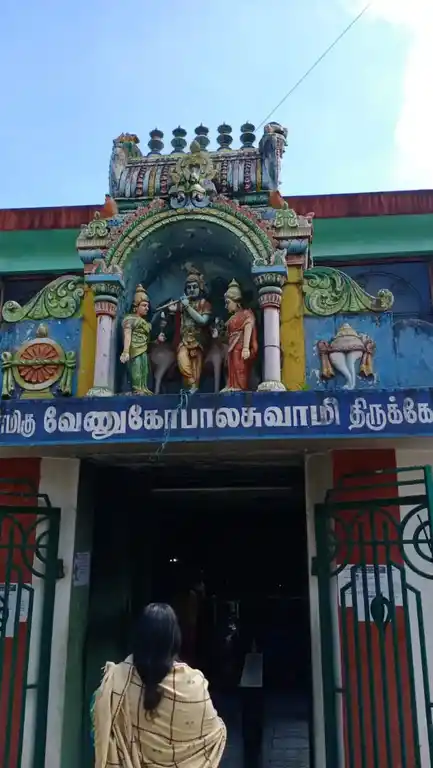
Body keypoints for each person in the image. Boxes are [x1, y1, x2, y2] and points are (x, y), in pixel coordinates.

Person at [92, 603, 226, 768]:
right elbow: (214, 734)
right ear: (175, 638)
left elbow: (102, 732)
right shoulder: (193, 684)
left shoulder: (117, 681)